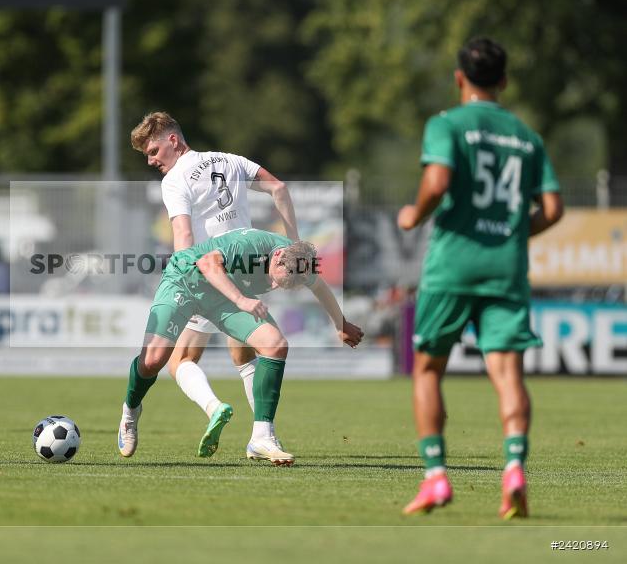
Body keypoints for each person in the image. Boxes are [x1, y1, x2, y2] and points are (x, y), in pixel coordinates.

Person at [397, 38, 563, 518]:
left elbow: (438, 182)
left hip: (453, 265)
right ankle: (513, 467)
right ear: (504, 81)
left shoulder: (446, 124)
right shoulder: (528, 137)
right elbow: (552, 209)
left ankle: (436, 478)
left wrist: (413, 215)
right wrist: (513, 233)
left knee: (428, 369)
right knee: (508, 373)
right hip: (505, 269)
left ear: (458, 78)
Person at [130, 112, 299, 458]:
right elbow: (279, 188)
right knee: (247, 353)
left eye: (153, 151)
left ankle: (215, 408)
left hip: (209, 273)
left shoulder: (175, 178)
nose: (151, 160)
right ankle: (265, 436)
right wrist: (294, 243)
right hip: (246, 267)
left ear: (173, 141)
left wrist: (184, 272)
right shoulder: (229, 160)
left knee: (180, 359)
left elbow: (183, 237)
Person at [117, 227, 363, 465]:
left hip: (222, 295)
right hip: (184, 280)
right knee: (152, 361)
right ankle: (130, 411)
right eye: (277, 281)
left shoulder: (300, 263)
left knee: (275, 345)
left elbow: (319, 287)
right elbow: (206, 263)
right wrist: (241, 300)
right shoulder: (250, 245)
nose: (275, 286)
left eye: (284, 286)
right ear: (277, 256)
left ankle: (262, 437)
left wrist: (340, 324)